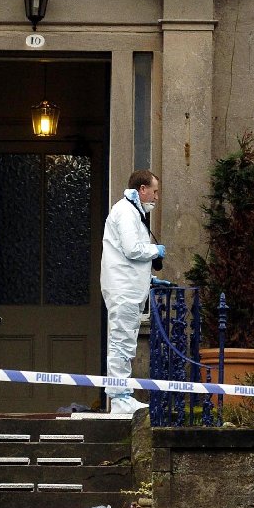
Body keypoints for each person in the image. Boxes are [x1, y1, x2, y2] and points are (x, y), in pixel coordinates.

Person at [101, 170, 166, 414]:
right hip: (124, 290)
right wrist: (155, 251)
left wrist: (150, 278)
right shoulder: (126, 212)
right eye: (155, 191)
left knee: (125, 342)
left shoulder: (132, 213)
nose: (156, 197)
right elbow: (131, 249)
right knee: (121, 343)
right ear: (142, 189)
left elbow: (125, 257)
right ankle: (120, 399)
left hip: (128, 288)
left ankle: (122, 396)